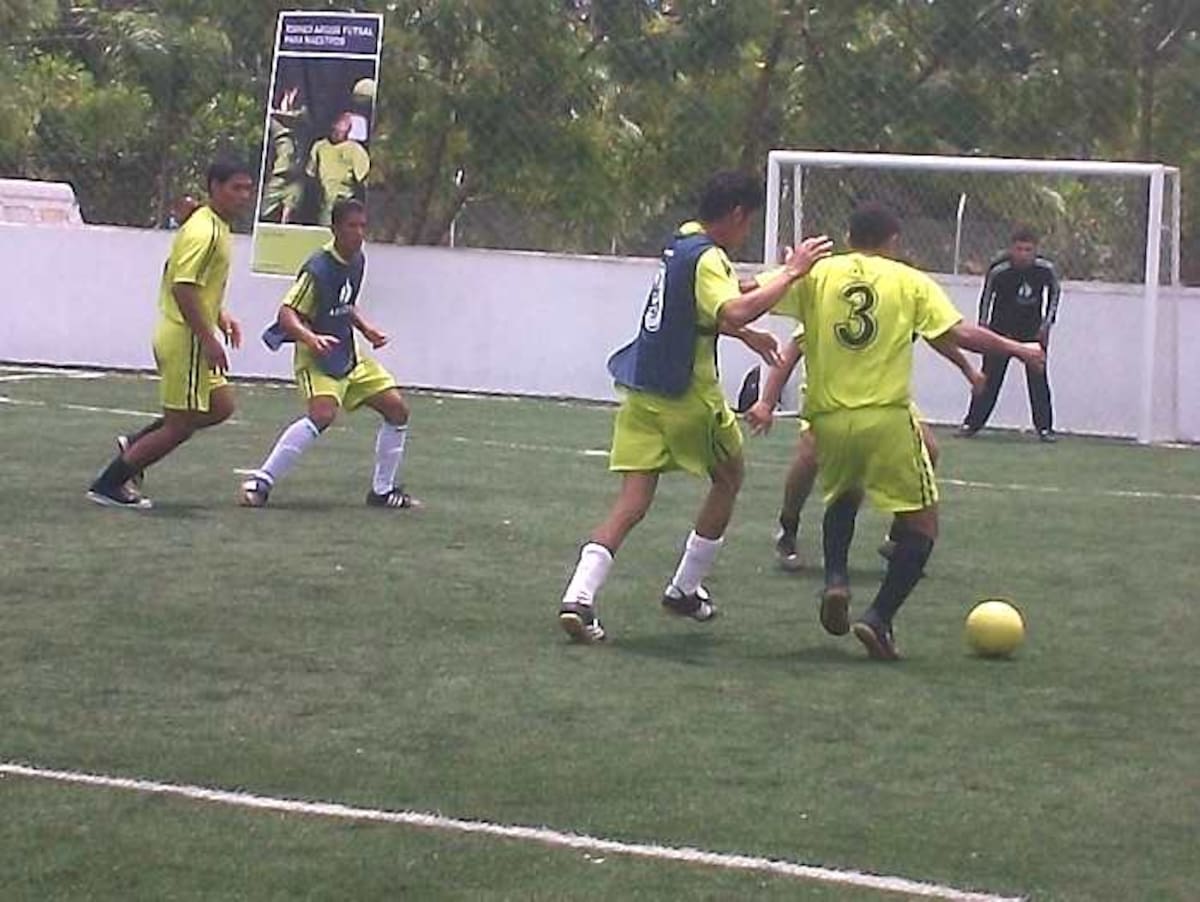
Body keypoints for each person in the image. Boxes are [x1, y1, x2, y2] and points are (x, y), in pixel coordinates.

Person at [557, 170, 833, 643]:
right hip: (686, 396)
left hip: (641, 390)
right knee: (729, 477)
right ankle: (685, 588)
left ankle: (579, 596)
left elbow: (702, 307)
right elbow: (732, 309)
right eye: (748, 224)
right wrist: (792, 272)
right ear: (737, 215)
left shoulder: (681, 241)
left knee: (633, 500)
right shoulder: (709, 258)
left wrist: (745, 333)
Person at [784, 203, 1045, 660]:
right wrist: (1018, 348)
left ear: (848, 237)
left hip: (827, 418)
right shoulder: (908, 280)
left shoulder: (818, 274)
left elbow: (752, 295)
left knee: (843, 496)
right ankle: (879, 618)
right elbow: (961, 332)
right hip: (885, 417)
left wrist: (788, 270)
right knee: (923, 523)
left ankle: (836, 581)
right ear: (893, 241)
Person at [743, 318, 984, 569]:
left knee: (928, 451)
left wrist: (968, 369)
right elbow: (792, 352)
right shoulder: (838, 299)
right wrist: (766, 403)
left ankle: (898, 536)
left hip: (884, 398)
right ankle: (788, 526)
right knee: (811, 456)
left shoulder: (901, 297)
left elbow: (938, 334)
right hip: (829, 397)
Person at [87, 160, 255, 509]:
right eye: (235, 188)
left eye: (247, 188)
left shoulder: (211, 224)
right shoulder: (205, 231)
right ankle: (109, 484)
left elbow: (195, 282)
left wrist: (221, 317)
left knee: (221, 405)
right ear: (214, 186)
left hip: (185, 333)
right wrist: (208, 338)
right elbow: (183, 287)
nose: (244, 195)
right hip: (186, 338)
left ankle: (134, 442)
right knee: (179, 426)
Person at [239, 199, 420, 510]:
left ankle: (382, 491)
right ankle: (261, 482)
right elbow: (286, 314)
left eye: (363, 226)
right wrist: (311, 338)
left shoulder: (357, 260)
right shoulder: (318, 268)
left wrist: (366, 329)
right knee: (322, 415)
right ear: (335, 229)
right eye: (352, 226)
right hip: (317, 357)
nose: (359, 233)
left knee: (397, 411)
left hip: (348, 353)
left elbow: (345, 303)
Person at [961, 225, 1061, 441]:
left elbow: (1055, 292)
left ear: (1035, 251)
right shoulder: (999, 270)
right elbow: (986, 297)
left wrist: (1047, 323)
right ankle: (971, 424)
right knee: (989, 378)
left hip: (1031, 332)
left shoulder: (1045, 269)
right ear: (1011, 249)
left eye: (1028, 250)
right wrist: (983, 325)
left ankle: (1045, 428)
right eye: (1019, 249)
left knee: (1038, 378)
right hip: (1001, 331)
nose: (1023, 254)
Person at [306, 112, 370, 227]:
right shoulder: (320, 146)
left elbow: (363, 179)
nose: (338, 133)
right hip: (324, 203)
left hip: (344, 202)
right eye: (336, 129)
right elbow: (310, 173)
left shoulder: (355, 150)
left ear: (349, 131)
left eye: (343, 130)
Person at [259, 86, 308, 224]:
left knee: (290, 210)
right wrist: (281, 108)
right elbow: (279, 117)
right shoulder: (275, 121)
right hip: (280, 175)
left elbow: (297, 117)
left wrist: (282, 110)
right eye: (289, 94)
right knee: (264, 209)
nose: (293, 98)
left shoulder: (302, 117)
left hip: (296, 176)